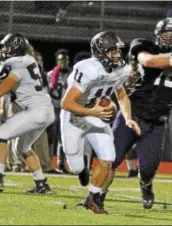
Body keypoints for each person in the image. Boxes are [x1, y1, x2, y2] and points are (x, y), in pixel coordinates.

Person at [109, 17, 172, 210]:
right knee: (111, 159)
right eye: (164, 35)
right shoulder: (144, 45)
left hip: (157, 120)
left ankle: (146, 186)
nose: (168, 39)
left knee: (148, 168)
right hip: (132, 114)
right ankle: (96, 196)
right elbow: (149, 61)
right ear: (157, 35)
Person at [60, 31, 141, 214]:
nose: (117, 55)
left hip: (96, 115)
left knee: (108, 158)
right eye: (112, 51)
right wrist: (92, 111)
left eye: (118, 51)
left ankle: (92, 198)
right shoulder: (88, 69)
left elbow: (121, 95)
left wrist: (128, 118)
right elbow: (66, 103)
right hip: (73, 118)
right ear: (100, 52)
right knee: (75, 167)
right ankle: (82, 168)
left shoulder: (120, 68)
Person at [0, 33, 55, 194]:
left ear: (15, 48)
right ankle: (41, 184)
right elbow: (11, 81)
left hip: (35, 110)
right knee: (24, 148)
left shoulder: (14, 63)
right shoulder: (29, 60)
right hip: (45, 109)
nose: (3, 50)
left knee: (0, 135)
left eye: (6, 47)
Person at [48, 48, 71, 173]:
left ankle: (61, 164)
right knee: (51, 137)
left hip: (67, 109)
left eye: (66, 60)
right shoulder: (50, 75)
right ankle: (48, 163)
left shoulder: (73, 75)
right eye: (61, 60)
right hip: (53, 107)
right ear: (57, 61)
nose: (64, 62)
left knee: (64, 137)